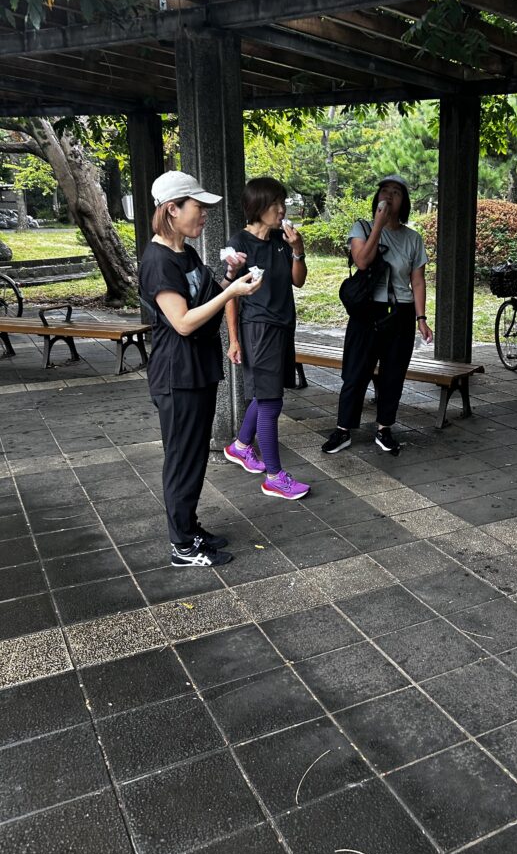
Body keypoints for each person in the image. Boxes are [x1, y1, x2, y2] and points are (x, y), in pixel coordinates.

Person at [139, 170, 261, 568]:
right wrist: (231, 292)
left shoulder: (184, 253)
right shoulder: (158, 261)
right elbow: (184, 321)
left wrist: (229, 276)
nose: (205, 215)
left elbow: (205, 301)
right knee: (182, 459)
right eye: (199, 207)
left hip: (199, 370)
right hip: (177, 376)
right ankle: (181, 545)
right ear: (172, 210)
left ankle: (190, 528)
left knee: (194, 457)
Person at [321, 174, 433, 457]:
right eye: (385, 191)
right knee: (355, 372)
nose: (389, 196)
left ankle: (384, 428)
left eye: (396, 192)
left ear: (404, 201)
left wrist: (421, 318)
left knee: (393, 373)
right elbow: (362, 260)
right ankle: (344, 429)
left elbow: (417, 281)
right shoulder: (362, 228)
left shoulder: (413, 238)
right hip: (367, 311)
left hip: (401, 312)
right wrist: (379, 226)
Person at [223, 177, 311, 500]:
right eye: (275, 203)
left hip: (283, 326)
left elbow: (297, 281)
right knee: (272, 402)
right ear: (258, 206)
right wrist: (233, 339)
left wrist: (298, 251)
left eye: (282, 202)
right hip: (257, 329)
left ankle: (240, 446)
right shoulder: (239, 244)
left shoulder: (280, 239)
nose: (282, 208)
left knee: (265, 393)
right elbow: (231, 295)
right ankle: (274, 476)